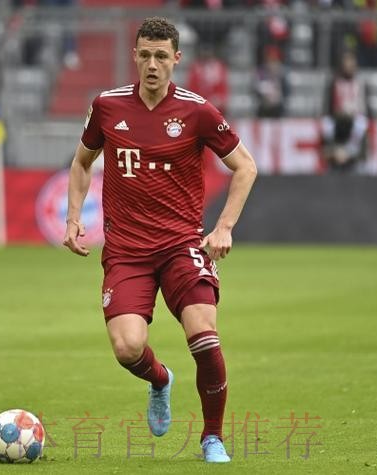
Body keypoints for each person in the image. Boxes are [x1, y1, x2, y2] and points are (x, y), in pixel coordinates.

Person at [63, 17, 257, 464]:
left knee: (204, 334)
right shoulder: (107, 106)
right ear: (134, 56)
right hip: (126, 251)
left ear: (176, 59)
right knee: (127, 347)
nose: (153, 65)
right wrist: (73, 218)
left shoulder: (198, 111)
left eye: (161, 57)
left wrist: (224, 227)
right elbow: (81, 163)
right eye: (146, 55)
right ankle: (160, 379)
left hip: (180, 246)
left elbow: (245, 166)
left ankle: (212, 438)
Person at [321, 50, 372, 172]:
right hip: (338, 119)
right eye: (346, 62)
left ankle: (351, 151)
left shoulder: (361, 83)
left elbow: (367, 108)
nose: (349, 66)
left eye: (351, 62)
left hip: (355, 118)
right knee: (326, 123)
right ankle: (332, 150)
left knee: (362, 123)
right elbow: (328, 107)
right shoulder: (335, 83)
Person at [186, 43, 229, 115]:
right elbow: (192, 88)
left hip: (216, 107)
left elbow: (223, 88)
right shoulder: (195, 68)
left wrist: (218, 99)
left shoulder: (219, 67)